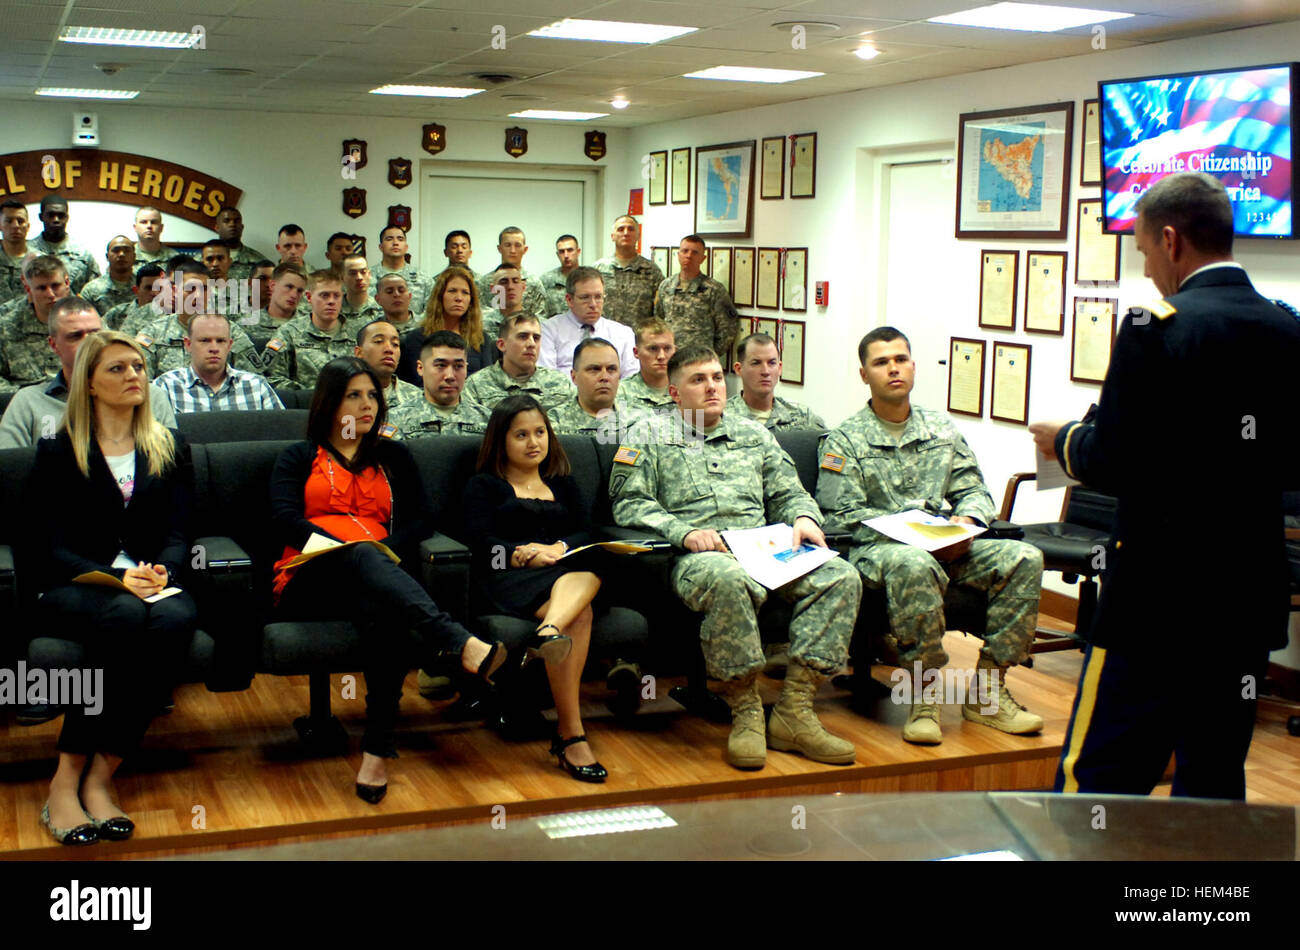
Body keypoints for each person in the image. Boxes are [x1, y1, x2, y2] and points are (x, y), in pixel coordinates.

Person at [1030, 172, 1300, 800]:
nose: (1149, 269)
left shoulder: (1158, 328)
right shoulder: (1287, 328)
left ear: (1172, 241)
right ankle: (1195, 897)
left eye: (1146, 252)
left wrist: (1065, 439)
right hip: (1245, 601)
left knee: (1101, 775)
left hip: (1156, 601)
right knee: (1212, 779)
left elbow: (1116, 459)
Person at [611, 345, 862, 770]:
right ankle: (745, 710)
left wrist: (803, 517)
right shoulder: (648, 435)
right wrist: (684, 532)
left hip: (764, 547)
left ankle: (794, 710)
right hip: (699, 558)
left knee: (840, 575)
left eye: (715, 377)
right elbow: (629, 503)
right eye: (698, 380)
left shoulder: (754, 434)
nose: (712, 386)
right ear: (674, 392)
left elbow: (788, 490)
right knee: (729, 581)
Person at [270, 357, 508, 803]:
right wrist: (337, 547)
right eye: (353, 395)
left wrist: (389, 551)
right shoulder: (299, 455)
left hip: (379, 578)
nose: (366, 405)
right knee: (362, 556)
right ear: (329, 402)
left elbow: (422, 519)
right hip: (309, 577)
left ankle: (377, 750)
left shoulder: (393, 455)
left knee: (386, 612)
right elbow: (283, 518)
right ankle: (456, 640)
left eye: (373, 395)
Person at [818, 327, 1044, 745]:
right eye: (881, 362)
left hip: (947, 545)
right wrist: (910, 534)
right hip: (880, 553)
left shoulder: (942, 429)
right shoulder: (845, 440)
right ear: (864, 375)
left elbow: (973, 490)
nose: (893, 369)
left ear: (913, 366)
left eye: (900, 359)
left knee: (1024, 557)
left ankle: (988, 693)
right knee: (913, 561)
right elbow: (840, 516)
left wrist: (969, 523)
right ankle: (923, 697)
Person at [24, 330, 198, 845]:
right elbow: (44, 544)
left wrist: (163, 569)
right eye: (117, 369)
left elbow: (180, 530)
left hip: (153, 583)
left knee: (172, 619)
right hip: (76, 583)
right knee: (123, 617)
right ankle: (64, 779)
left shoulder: (169, 444)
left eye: (138, 367)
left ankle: (101, 776)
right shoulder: (58, 450)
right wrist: (120, 577)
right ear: (91, 385)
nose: (133, 377)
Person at [462, 394, 605, 781]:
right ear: (501, 441)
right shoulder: (485, 486)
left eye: (540, 432)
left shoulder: (562, 482)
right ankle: (571, 735)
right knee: (582, 609)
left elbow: (585, 531)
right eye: (521, 435)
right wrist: (518, 555)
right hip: (507, 581)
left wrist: (558, 548)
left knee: (587, 573)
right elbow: (478, 549)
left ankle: (548, 632)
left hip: (562, 576)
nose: (533, 442)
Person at [0, 297, 175, 448]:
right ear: (54, 345)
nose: (89, 343)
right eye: (75, 336)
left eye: (96, 333)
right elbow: (11, 472)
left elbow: (170, 461)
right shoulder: (29, 402)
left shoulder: (148, 395)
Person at [151, 313, 284, 413]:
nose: (214, 348)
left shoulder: (256, 385)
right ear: (188, 344)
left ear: (230, 345)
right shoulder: (165, 387)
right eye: (204, 340)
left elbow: (281, 434)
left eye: (220, 341)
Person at [399, 266, 497, 385]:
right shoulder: (417, 337)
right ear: (440, 296)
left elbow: (486, 382)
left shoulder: (481, 339)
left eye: (465, 293)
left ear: (471, 301)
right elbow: (417, 382)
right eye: (452, 291)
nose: (459, 298)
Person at [463, 313, 574, 413]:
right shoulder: (475, 386)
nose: (531, 344)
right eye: (523, 337)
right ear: (502, 345)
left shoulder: (561, 384)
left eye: (536, 338)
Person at [539, 266, 639, 377]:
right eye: (585, 297)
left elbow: (630, 379)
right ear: (569, 300)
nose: (593, 304)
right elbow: (548, 378)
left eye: (598, 297)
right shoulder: (548, 330)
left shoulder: (623, 333)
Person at [388, 330, 490, 439]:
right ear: (420, 368)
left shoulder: (487, 419)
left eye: (458, 366)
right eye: (441, 365)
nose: (450, 376)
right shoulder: (395, 419)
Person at [550, 337, 651, 443]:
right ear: (574, 377)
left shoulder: (641, 420)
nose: (604, 377)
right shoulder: (554, 422)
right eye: (594, 369)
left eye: (611, 369)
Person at [265, 270, 355, 390]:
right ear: (309, 297)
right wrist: (309, 395)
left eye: (336, 296)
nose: (331, 301)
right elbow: (270, 378)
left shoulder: (357, 333)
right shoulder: (289, 333)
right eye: (324, 295)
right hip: (307, 405)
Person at [653, 234, 739, 359]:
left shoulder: (713, 289)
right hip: (669, 358)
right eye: (685, 251)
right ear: (678, 255)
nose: (689, 255)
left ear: (703, 258)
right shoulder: (666, 286)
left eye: (695, 252)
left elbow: (728, 328)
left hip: (699, 359)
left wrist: (710, 354)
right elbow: (659, 320)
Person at [0, 255, 71, 392]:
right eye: (42, 288)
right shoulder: (7, 328)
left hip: (77, 399)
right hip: (24, 404)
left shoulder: (86, 322)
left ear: (67, 283)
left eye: (55, 286)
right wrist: (25, 397)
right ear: (28, 290)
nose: (50, 294)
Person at [727, 332, 825, 430]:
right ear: (739, 369)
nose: (765, 371)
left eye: (772, 363)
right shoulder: (723, 418)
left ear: (779, 368)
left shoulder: (803, 417)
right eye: (756, 363)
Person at [595, 215, 663, 328]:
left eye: (631, 229)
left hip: (638, 339)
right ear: (612, 236)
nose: (626, 233)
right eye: (621, 229)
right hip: (604, 337)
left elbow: (659, 311)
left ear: (638, 236)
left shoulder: (651, 271)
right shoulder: (598, 269)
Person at [475, 227, 550, 319]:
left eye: (517, 245)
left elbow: (540, 316)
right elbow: (479, 313)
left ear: (525, 249)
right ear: (499, 248)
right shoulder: (484, 282)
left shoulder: (534, 283)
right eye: (508, 245)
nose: (513, 250)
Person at [30, 195, 99, 293]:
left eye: (60, 215)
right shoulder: (28, 252)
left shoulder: (83, 255)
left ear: (67, 218)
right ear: (41, 217)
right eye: (51, 215)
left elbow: (94, 292)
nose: (56, 220)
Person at [354, 319, 422, 411]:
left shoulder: (416, 397)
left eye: (395, 344)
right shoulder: (342, 395)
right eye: (379, 341)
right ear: (359, 353)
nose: (389, 349)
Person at [241, 262, 307, 354]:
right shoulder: (246, 324)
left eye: (299, 291)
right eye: (289, 287)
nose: (294, 295)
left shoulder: (309, 324)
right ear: (272, 286)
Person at [618, 318, 677, 416]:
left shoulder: (686, 391)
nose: (661, 356)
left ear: (675, 351)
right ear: (636, 352)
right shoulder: (619, 394)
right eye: (653, 349)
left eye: (667, 348)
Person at [372, 225, 429, 314]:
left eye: (400, 239)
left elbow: (431, 312)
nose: (395, 243)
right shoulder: (368, 277)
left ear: (406, 247)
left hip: (415, 327)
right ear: (381, 247)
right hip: (376, 327)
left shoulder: (423, 278)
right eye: (389, 239)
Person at [102, 263, 166, 332]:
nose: (154, 293)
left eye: (159, 288)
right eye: (148, 288)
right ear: (136, 290)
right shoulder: (116, 314)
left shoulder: (171, 316)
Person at [213, 207, 271, 283]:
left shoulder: (259, 262)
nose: (232, 224)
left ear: (242, 227)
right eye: (227, 221)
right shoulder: (201, 261)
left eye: (236, 221)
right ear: (217, 227)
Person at [538, 234, 581, 317]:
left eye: (570, 250)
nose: (566, 255)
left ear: (578, 252)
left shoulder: (588, 279)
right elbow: (540, 313)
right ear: (557, 254)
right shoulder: (546, 280)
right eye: (562, 251)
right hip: (554, 328)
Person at [0, 197, 32, 307]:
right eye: (9, 221)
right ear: (0, 225)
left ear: (28, 226)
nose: (15, 226)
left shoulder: (41, 261)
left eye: (20, 221)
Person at [340, 253, 382, 323]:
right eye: (353, 273)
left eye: (363, 272)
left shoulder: (381, 310)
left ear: (369, 275)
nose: (359, 278)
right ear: (342, 278)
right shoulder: (335, 311)